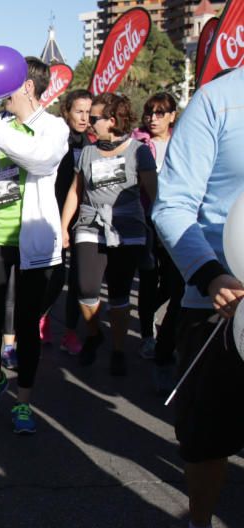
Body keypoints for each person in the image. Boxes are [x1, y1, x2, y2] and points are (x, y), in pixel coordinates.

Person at [153, 67, 244, 528]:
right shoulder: (218, 100)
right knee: (208, 439)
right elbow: (174, 204)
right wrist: (212, 275)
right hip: (220, 302)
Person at [0, 57, 68, 434]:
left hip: (34, 244)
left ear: (28, 88)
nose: (0, 90)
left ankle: (24, 402)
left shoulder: (53, 127)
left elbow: (38, 159)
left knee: (24, 324)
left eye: (9, 84)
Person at [60, 92, 156, 376]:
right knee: (86, 288)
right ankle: (93, 334)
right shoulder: (88, 150)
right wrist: (64, 226)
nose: (89, 123)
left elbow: (154, 193)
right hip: (90, 223)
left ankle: (117, 350)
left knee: (118, 294)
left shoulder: (139, 151)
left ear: (112, 120)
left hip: (128, 228)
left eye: (94, 118)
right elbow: (75, 192)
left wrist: (159, 230)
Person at [132, 92, 182, 391]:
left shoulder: (185, 141)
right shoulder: (138, 143)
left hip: (178, 224)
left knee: (175, 285)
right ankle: (148, 338)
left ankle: (167, 341)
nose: (153, 117)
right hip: (147, 221)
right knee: (150, 279)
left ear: (172, 116)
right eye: (150, 111)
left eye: (161, 112)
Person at [53, 88, 94, 356]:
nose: (84, 117)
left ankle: (70, 332)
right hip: (52, 215)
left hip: (84, 220)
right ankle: (40, 319)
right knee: (54, 277)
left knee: (79, 280)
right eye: (79, 111)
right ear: (66, 111)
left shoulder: (92, 143)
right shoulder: (55, 139)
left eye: (89, 112)